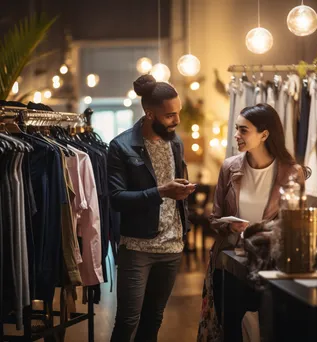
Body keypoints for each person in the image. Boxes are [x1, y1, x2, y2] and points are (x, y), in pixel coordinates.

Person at [197, 103, 306, 342]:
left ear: (264, 134)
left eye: (243, 130)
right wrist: (230, 225)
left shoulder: (291, 173)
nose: (236, 135)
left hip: (269, 267)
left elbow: (294, 226)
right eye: (237, 129)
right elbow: (214, 219)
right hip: (230, 264)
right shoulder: (230, 167)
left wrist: (262, 231)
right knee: (231, 332)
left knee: (272, 331)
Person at [108, 74, 195, 342]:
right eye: (169, 116)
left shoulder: (175, 142)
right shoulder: (122, 146)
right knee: (127, 321)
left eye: (178, 113)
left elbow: (173, 183)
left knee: (154, 319)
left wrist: (181, 192)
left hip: (172, 247)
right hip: (137, 248)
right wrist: (160, 192)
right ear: (149, 114)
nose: (176, 121)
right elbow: (116, 197)